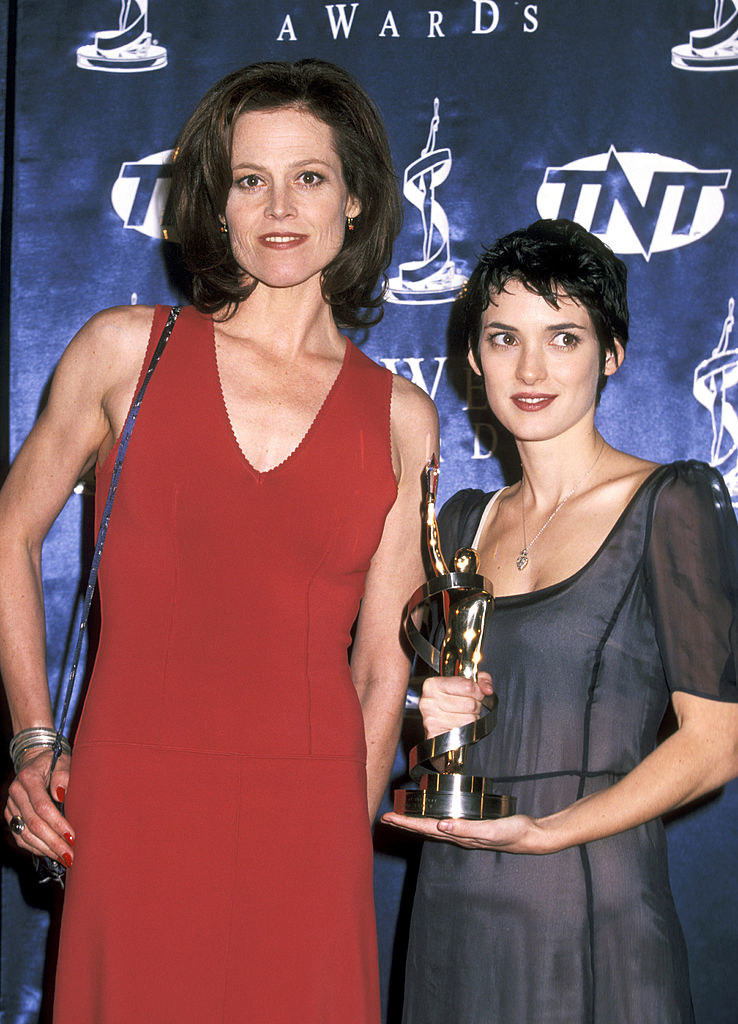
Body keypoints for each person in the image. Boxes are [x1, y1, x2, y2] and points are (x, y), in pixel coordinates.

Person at [0, 59, 438, 1023]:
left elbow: (379, 673)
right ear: (218, 201)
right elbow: (10, 532)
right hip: (133, 794)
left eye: (309, 177)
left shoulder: (402, 416)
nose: (279, 206)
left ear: (356, 198)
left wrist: (339, 837)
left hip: (313, 813)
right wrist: (37, 739)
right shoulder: (127, 350)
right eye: (250, 179)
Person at [383, 218, 738, 1023]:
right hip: (453, 911)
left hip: (590, 904)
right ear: (473, 357)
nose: (531, 368)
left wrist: (548, 833)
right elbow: (435, 712)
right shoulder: (462, 521)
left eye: (564, 337)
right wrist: (429, 711)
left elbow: (717, 742)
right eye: (504, 337)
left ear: (610, 353)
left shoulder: (670, 503)